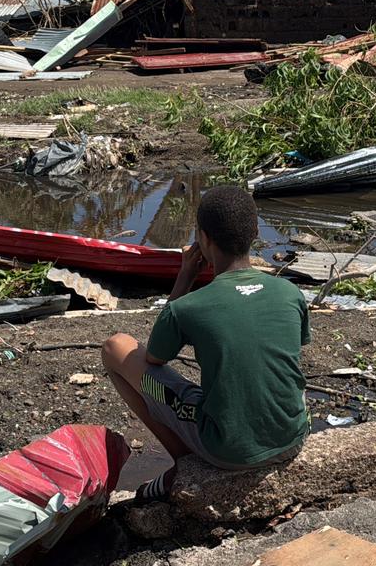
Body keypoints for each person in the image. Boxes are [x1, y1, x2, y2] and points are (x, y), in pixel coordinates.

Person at [101, 185, 310, 501]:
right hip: (293, 436)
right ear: (254, 232)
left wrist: (184, 278)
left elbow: (155, 357)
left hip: (230, 449)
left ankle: (183, 463)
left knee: (115, 348)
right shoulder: (290, 293)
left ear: (204, 238)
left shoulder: (189, 306)